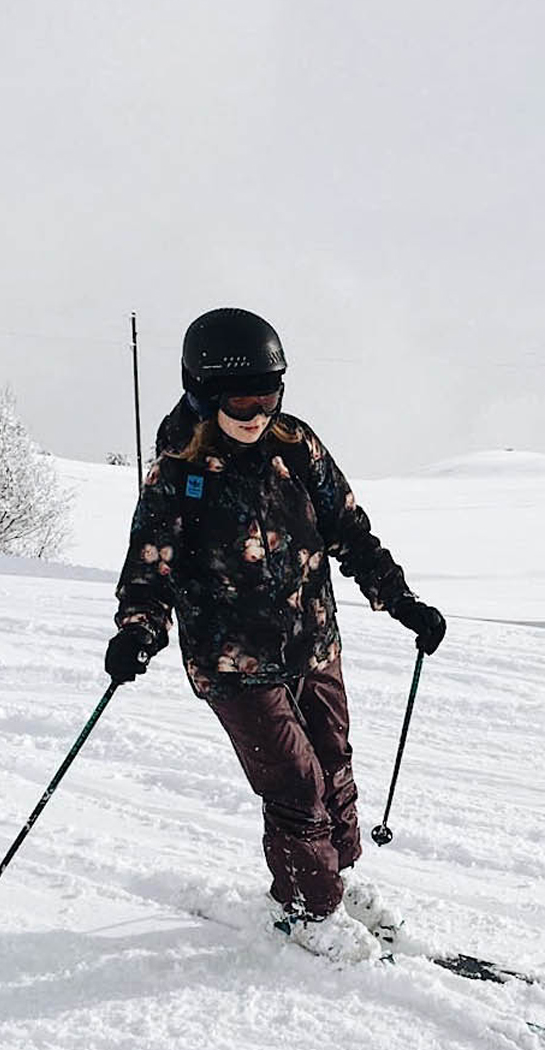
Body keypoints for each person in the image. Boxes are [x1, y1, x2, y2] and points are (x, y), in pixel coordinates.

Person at [107, 307, 446, 964]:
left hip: (312, 643)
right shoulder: (180, 473)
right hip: (232, 660)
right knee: (294, 785)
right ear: (204, 391)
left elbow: (351, 532)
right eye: (241, 398)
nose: (256, 411)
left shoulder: (296, 446)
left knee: (334, 766)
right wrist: (138, 633)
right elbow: (149, 572)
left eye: (269, 394)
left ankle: (333, 884)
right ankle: (303, 911)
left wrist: (402, 601)